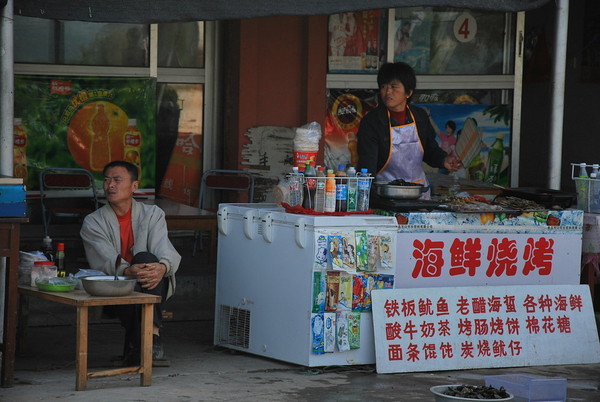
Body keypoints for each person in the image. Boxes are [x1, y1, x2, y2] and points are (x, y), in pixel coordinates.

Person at [80, 160, 181, 365]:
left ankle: (142, 344)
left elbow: (164, 248)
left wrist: (162, 267)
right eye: (106, 180)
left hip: (152, 281)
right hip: (116, 284)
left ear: (134, 186)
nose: (110, 185)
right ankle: (151, 341)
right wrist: (128, 271)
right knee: (132, 280)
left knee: (147, 260)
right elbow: (105, 258)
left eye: (117, 180)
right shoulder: (93, 221)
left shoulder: (152, 214)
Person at [357, 62, 462, 197]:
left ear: (408, 92)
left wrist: (443, 160)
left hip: (418, 192)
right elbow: (367, 164)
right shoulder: (372, 121)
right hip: (385, 193)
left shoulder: (420, 117)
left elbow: (430, 149)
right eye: (383, 87)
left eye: (394, 87)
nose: (387, 92)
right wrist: (368, 197)